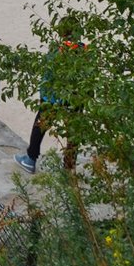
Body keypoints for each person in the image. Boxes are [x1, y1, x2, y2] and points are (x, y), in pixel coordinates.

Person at [15, 19, 84, 173]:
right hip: (75, 99)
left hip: (53, 99)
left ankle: (30, 159)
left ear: (62, 32)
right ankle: (69, 168)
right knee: (73, 134)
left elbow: (48, 74)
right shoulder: (84, 49)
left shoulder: (57, 50)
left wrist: (44, 96)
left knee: (39, 128)